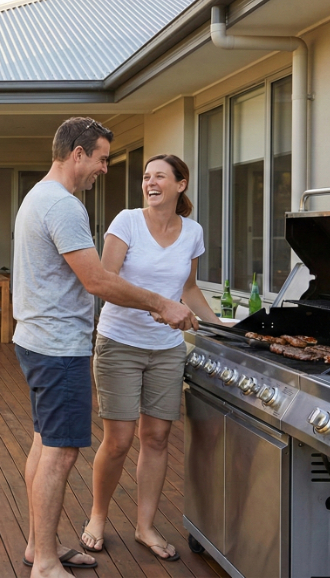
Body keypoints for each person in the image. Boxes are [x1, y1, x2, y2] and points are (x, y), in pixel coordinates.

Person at [14, 118, 197, 577]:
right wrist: (161, 303)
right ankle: (46, 564)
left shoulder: (41, 197)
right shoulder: (63, 206)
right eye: (101, 158)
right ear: (78, 154)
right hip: (58, 345)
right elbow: (97, 280)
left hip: (39, 340)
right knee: (60, 451)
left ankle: (41, 547)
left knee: (44, 444)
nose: (104, 168)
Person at [80, 154, 222, 562]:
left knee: (157, 438)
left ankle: (145, 526)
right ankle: (97, 517)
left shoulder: (192, 231)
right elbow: (105, 283)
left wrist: (217, 328)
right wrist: (159, 307)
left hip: (166, 349)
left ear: (181, 184)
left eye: (159, 176)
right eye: (146, 177)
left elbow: (190, 289)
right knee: (120, 440)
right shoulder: (126, 222)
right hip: (119, 342)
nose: (150, 182)